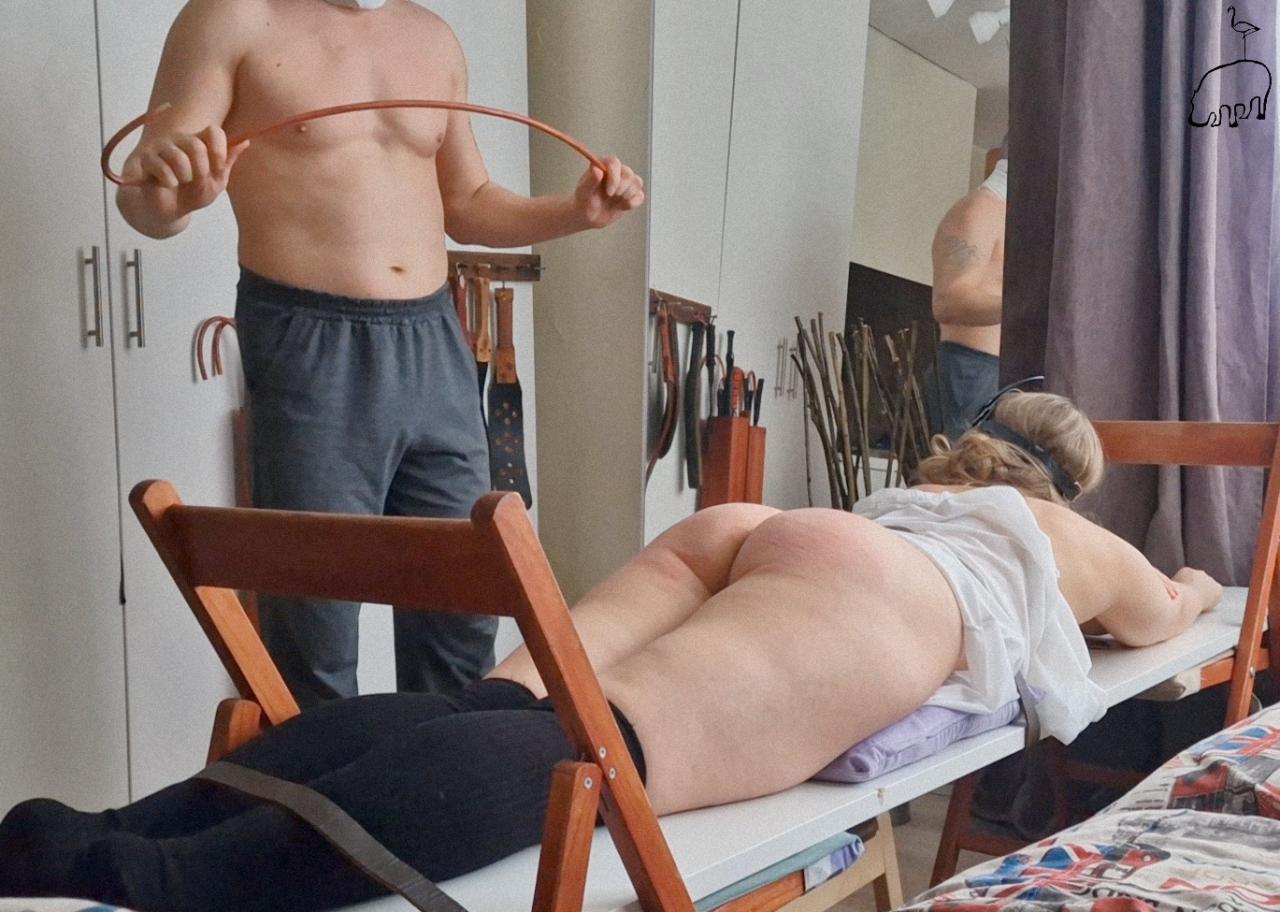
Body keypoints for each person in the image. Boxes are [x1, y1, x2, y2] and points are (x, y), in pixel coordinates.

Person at [0, 392, 1222, 911]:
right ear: (1065, 482)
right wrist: (1198, 584)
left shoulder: (900, 495)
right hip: (893, 592)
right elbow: (1162, 619)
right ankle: (163, 879)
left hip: (777, 532)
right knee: (606, 744)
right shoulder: (1057, 532)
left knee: (514, 698)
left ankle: (115, 825)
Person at [114, 0, 646, 708]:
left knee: (463, 610)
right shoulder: (235, 17)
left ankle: (440, 778)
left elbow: (468, 201)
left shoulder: (431, 37)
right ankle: (319, 783)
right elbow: (145, 198)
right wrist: (173, 198)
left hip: (435, 340)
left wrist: (575, 213)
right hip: (310, 346)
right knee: (314, 627)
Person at [927, 149, 1007, 439]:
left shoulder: (1010, 216)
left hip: (999, 373)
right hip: (972, 371)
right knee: (972, 466)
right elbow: (948, 302)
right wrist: (1028, 306)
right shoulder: (980, 210)